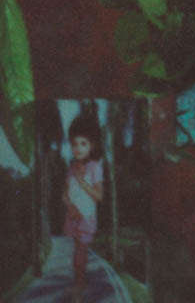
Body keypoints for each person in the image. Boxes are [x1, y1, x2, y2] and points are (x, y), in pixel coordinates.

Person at [63, 112, 105, 302]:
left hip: (87, 217)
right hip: (73, 216)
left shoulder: (95, 167)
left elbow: (99, 196)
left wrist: (81, 181)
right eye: (74, 143)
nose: (78, 148)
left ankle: (79, 287)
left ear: (92, 145)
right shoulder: (71, 167)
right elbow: (64, 193)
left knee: (80, 252)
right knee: (76, 254)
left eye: (83, 143)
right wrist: (69, 204)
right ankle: (80, 281)